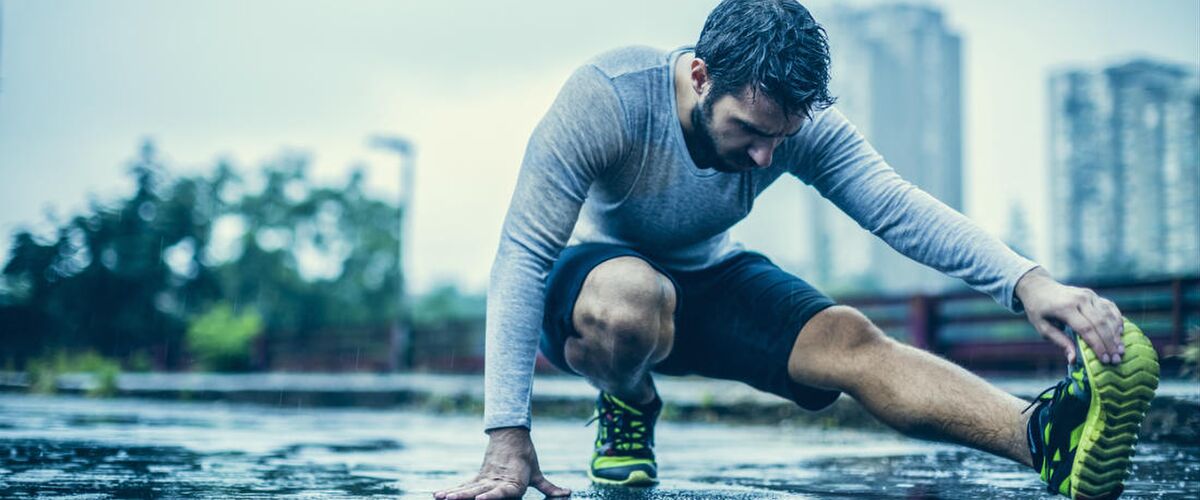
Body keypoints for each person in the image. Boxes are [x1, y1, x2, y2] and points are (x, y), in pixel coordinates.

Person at [434, 1, 1160, 498]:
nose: (764, 158)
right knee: (634, 296)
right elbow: (524, 252)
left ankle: (1044, 440)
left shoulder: (793, 122)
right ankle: (629, 402)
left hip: (712, 274)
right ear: (698, 76)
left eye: (779, 139)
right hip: (596, 287)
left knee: (849, 337)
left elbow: (895, 205)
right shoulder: (609, 97)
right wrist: (507, 436)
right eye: (749, 131)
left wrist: (1028, 282)